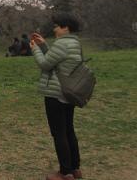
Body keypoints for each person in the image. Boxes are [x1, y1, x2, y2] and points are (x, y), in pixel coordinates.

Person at [30, 13, 84, 180]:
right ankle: (75, 169)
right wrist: (45, 46)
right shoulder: (74, 43)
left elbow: (46, 64)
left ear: (65, 28)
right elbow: (57, 63)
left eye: (56, 26)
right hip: (69, 92)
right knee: (68, 131)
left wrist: (35, 49)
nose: (54, 29)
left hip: (56, 94)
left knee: (59, 133)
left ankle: (64, 172)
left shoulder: (62, 44)